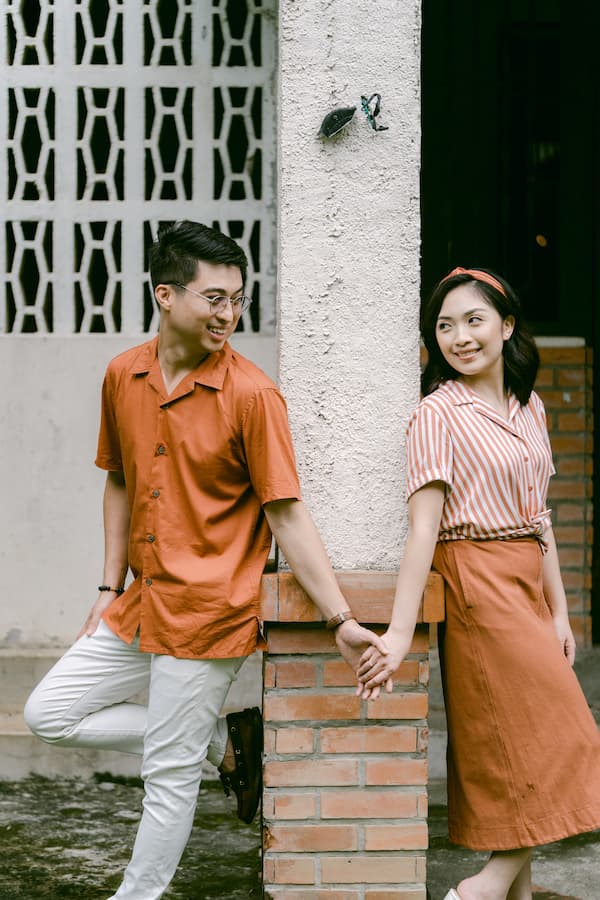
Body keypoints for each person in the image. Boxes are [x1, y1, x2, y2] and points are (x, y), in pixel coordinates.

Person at [24, 221, 389, 900]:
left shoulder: (252, 396)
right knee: (51, 713)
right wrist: (108, 587)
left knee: (165, 771)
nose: (229, 314)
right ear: (165, 295)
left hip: (211, 608)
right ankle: (221, 744)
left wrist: (340, 616)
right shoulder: (123, 374)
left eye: (239, 299)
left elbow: (286, 512)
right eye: (214, 297)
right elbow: (120, 481)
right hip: (142, 602)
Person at [357, 267, 600, 900]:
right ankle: (480, 890)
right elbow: (423, 532)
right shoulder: (437, 414)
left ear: (507, 325)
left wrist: (561, 612)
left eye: (473, 320)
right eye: (444, 326)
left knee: (522, 750)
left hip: (526, 581)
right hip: (477, 579)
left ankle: (506, 893)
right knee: (567, 742)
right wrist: (400, 632)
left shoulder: (528, 405)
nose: (460, 336)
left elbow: (539, 517)